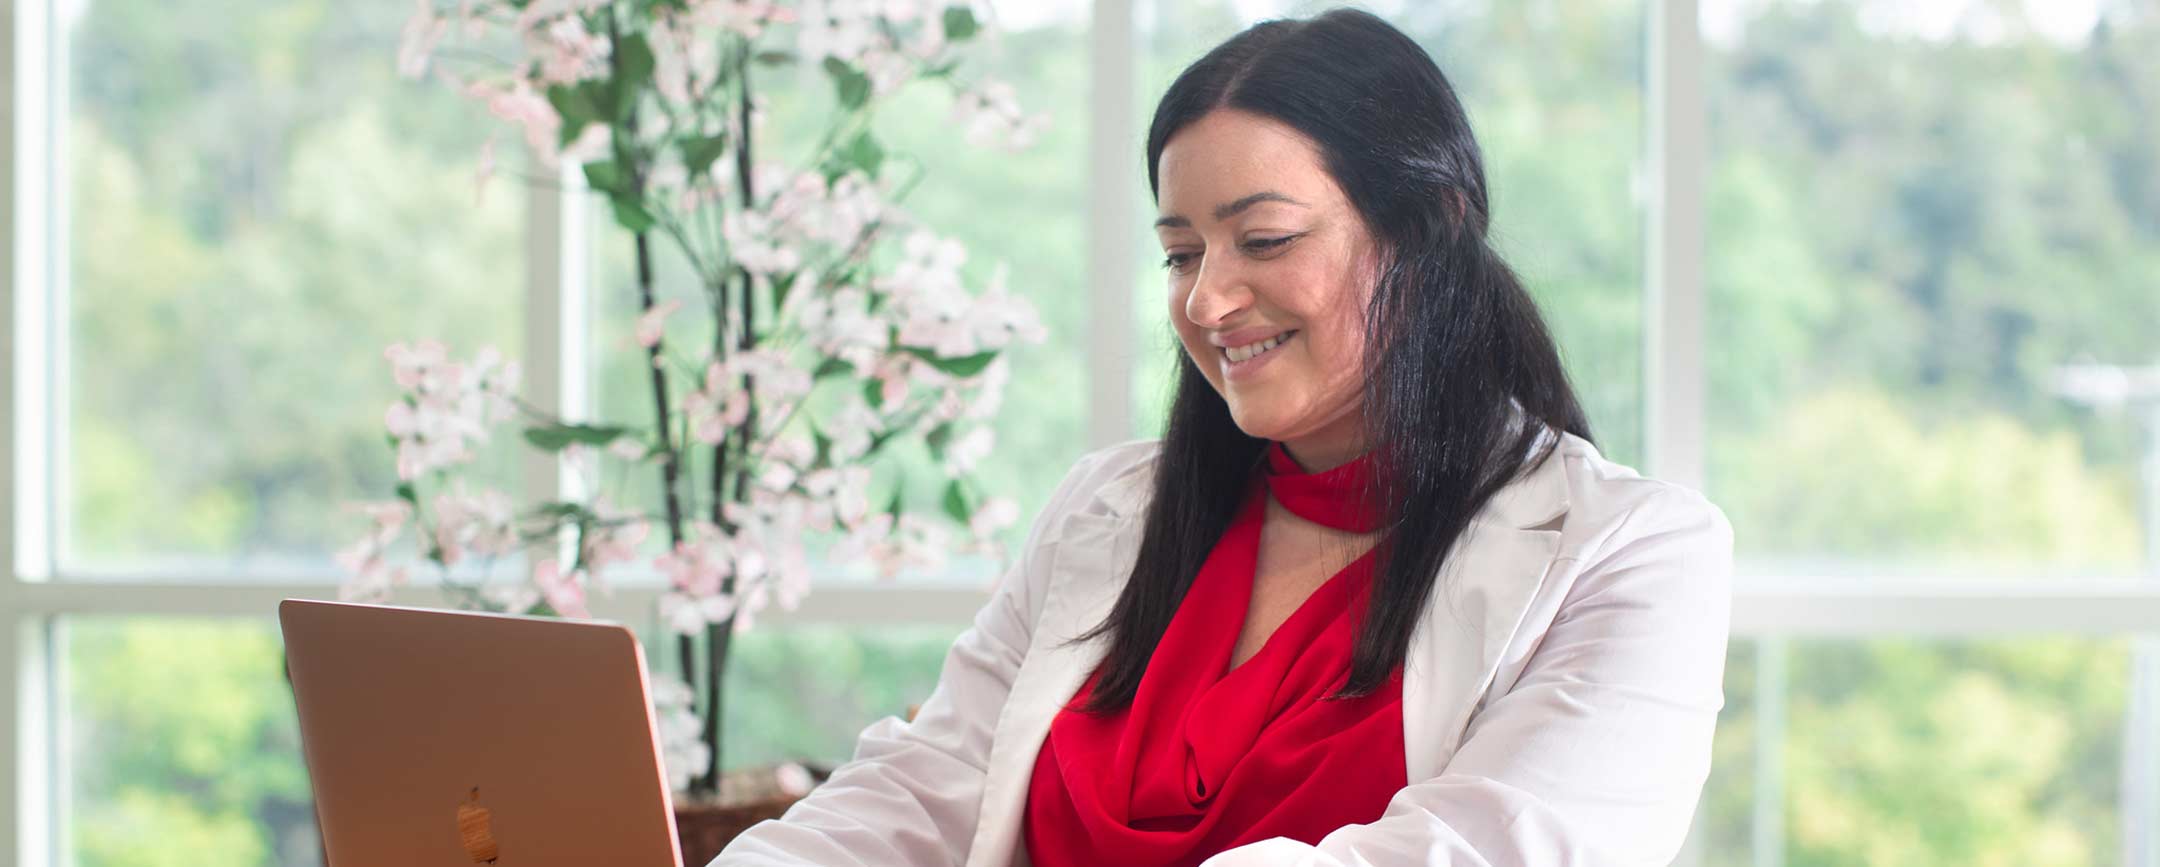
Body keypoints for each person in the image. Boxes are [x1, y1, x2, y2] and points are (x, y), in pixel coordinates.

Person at [715, 7, 1731, 866]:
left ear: (1433, 226)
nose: (1209, 299)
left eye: (1266, 240)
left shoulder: (1633, 555)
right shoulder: (1109, 511)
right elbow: (925, 790)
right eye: (1180, 252)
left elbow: (1485, 848)